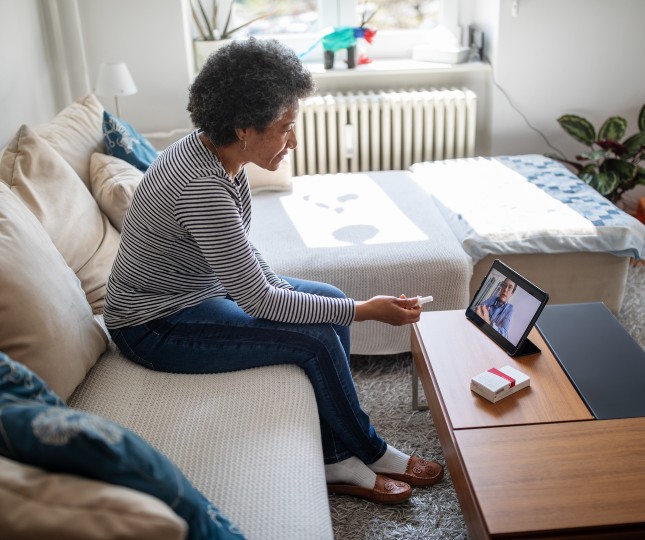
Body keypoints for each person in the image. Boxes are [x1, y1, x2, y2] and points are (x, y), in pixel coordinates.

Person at [103, 37, 442, 505]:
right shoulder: (201, 185)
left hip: (199, 295)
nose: (294, 140)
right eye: (285, 127)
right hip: (151, 325)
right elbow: (258, 300)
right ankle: (369, 450)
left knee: (323, 296)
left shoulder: (219, 155)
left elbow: (244, 256)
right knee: (318, 335)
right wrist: (365, 310)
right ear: (244, 128)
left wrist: (321, 300)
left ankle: (334, 456)